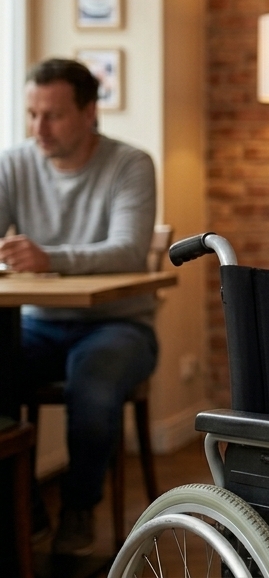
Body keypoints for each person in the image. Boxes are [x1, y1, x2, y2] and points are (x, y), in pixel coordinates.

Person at [0, 59, 157, 555]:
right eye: (32, 114)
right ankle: (24, 510)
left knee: (92, 384)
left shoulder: (130, 163)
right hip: (37, 323)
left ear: (90, 112)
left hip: (119, 324)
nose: (38, 128)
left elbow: (128, 250)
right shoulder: (13, 165)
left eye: (53, 115)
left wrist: (50, 259)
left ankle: (78, 509)